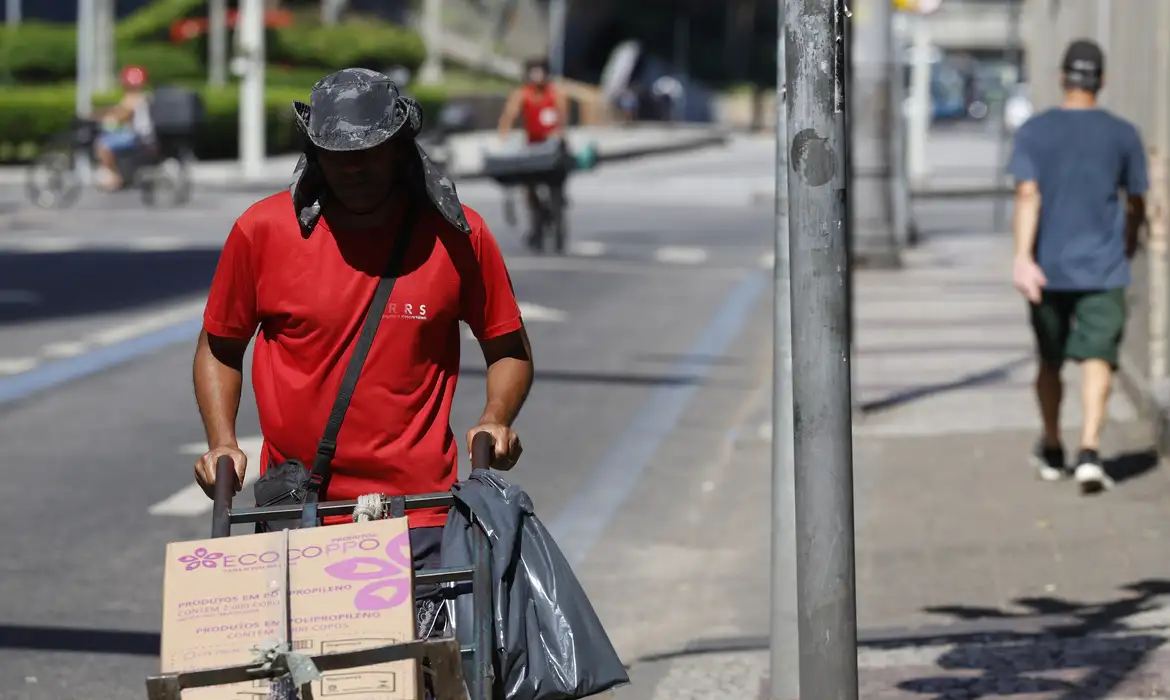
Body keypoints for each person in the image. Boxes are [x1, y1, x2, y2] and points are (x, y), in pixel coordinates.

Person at [191, 68, 534, 636]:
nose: (355, 167)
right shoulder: (263, 231)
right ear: (313, 152)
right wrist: (221, 442)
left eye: (372, 151)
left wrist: (495, 420)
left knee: (424, 675)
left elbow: (507, 347)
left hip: (421, 514)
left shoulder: (458, 235)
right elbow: (220, 347)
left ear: (401, 147)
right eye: (336, 153)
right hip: (298, 510)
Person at [1008, 39, 1147, 493]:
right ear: (1102, 81)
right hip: (1104, 267)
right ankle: (1089, 451)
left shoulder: (1034, 131)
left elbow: (1028, 195)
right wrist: (1127, 244)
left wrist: (1023, 258)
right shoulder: (1123, 134)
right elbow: (1136, 202)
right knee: (1097, 356)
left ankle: (1052, 444)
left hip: (1048, 267)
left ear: (1062, 78)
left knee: (1050, 359)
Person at [497, 57, 569, 251]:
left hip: (552, 147)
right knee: (529, 189)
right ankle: (536, 224)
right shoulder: (522, 94)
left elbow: (561, 120)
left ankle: (557, 220)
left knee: (556, 188)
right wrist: (503, 139)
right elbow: (509, 116)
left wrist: (559, 136)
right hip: (532, 147)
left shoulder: (555, 94)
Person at [94, 64, 155, 191]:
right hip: (144, 134)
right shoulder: (145, 96)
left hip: (137, 135)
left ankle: (114, 177)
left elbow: (121, 114)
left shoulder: (134, 98)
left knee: (103, 146)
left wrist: (103, 117)